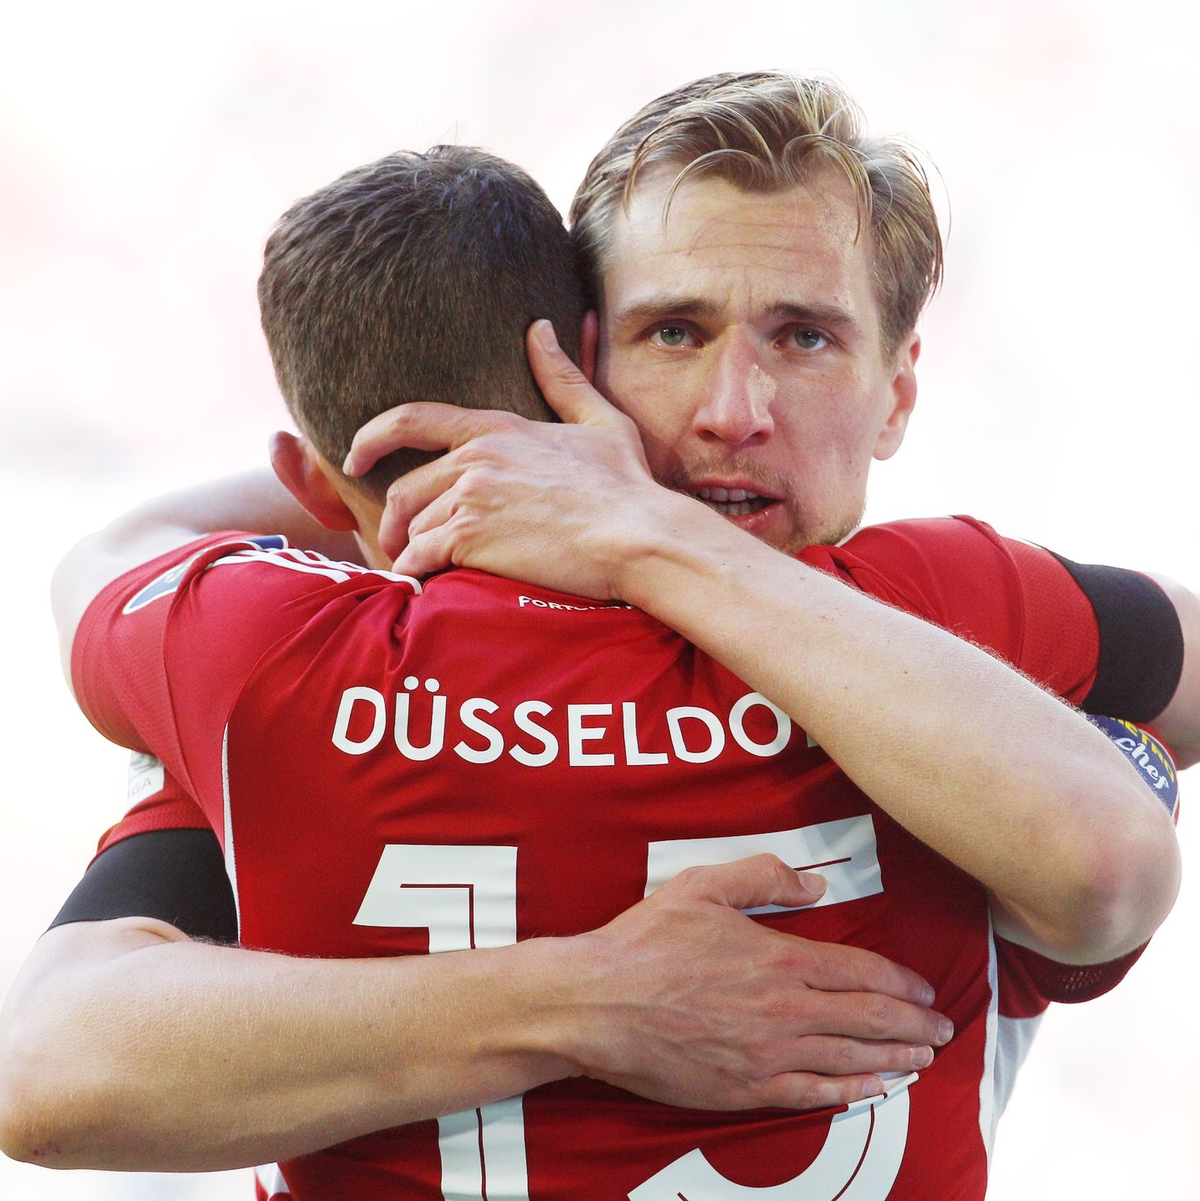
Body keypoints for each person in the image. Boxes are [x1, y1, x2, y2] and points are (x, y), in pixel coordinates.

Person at [0, 76, 1187, 1196]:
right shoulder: (961, 615)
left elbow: (44, 1065)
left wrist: (454, 486)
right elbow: (50, 1068)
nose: (734, 411)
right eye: (675, 332)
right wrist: (593, 999)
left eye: (804, 338)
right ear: (576, 363)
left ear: (900, 389)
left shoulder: (285, 653)